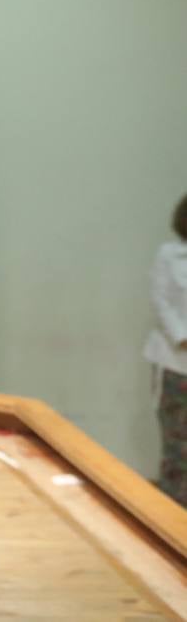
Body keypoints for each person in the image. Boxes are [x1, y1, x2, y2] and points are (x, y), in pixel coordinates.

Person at [145, 194, 187, 506]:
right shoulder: (169, 255)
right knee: (178, 444)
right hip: (176, 361)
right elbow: (160, 301)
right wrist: (182, 338)